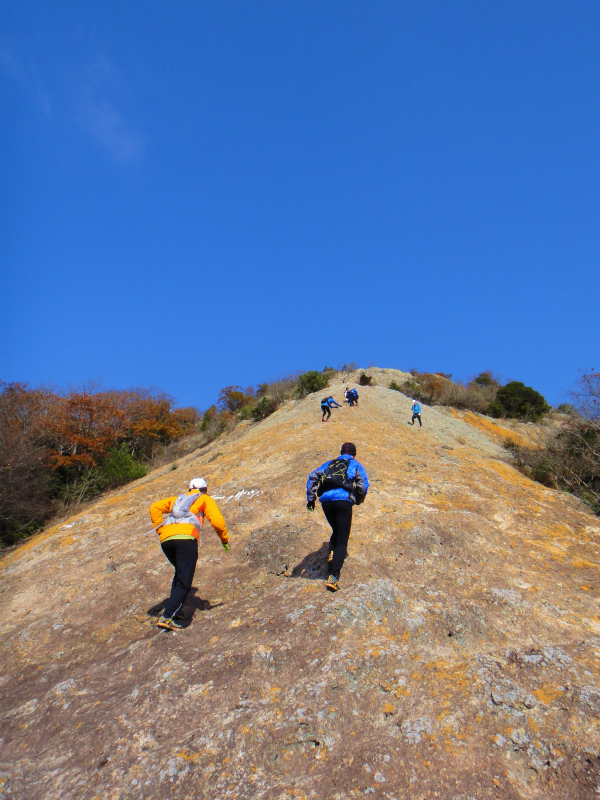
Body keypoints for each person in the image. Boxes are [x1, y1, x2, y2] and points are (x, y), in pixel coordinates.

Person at [149, 478, 230, 631]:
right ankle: (167, 617)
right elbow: (218, 521)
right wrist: (224, 540)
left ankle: (175, 610)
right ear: (204, 490)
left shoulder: (177, 499)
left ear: (190, 489)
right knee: (185, 582)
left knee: (180, 575)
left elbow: (154, 507)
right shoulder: (204, 499)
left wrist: (160, 529)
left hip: (166, 541)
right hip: (186, 540)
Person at [306, 442, 369, 592]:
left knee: (337, 528)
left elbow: (313, 477)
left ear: (340, 452)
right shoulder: (355, 464)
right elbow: (362, 486)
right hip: (343, 502)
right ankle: (333, 577)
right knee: (343, 539)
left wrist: (311, 499)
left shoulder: (329, 463)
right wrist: (357, 499)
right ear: (354, 454)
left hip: (326, 502)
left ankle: (332, 553)